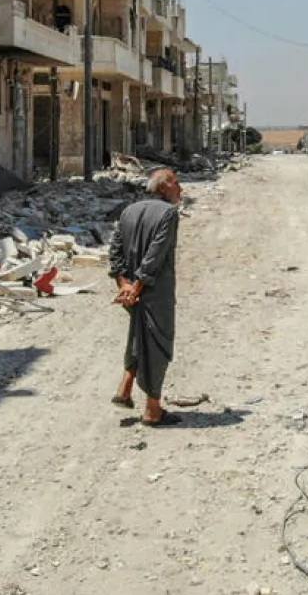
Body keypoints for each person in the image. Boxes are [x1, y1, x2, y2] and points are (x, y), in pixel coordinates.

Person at [108, 168, 184, 426]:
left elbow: (115, 250)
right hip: (154, 290)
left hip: (131, 291)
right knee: (159, 344)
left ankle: (125, 388)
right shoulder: (168, 213)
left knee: (138, 334)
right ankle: (153, 409)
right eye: (176, 183)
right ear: (163, 187)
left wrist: (123, 283)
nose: (180, 189)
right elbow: (156, 253)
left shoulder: (129, 210)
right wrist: (137, 285)